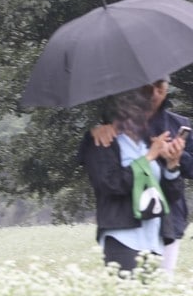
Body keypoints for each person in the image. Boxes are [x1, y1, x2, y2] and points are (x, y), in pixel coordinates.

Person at [90, 78, 193, 277]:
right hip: (124, 224)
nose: (154, 94)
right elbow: (110, 180)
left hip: (167, 223)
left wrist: (175, 157)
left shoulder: (178, 124)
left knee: (159, 291)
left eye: (160, 88)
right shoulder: (109, 133)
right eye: (148, 88)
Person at [77, 87, 185, 276]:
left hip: (154, 240)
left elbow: (171, 195)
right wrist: (149, 157)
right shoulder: (102, 142)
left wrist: (172, 164)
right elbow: (111, 184)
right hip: (123, 238)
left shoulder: (148, 143)